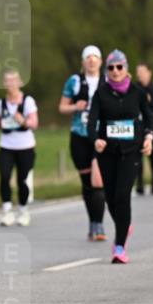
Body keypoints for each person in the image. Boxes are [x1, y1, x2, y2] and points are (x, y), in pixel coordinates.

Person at [88, 50, 153, 263]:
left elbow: (149, 117)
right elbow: (91, 122)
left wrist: (149, 137)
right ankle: (124, 225)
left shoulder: (137, 92)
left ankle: (119, 247)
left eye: (119, 67)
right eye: (111, 68)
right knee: (109, 196)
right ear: (107, 71)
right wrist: (94, 140)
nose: (115, 71)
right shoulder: (100, 93)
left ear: (126, 69)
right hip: (107, 152)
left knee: (122, 196)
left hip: (131, 151)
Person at [59, 46, 106, 240]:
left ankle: (100, 224)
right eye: (88, 57)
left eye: (95, 57)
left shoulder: (108, 81)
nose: (92, 60)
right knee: (87, 184)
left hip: (101, 136)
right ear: (83, 62)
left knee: (98, 180)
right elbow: (62, 107)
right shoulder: (75, 81)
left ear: (101, 61)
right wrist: (74, 107)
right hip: (79, 136)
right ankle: (92, 222)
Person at [0, 70, 39, 227]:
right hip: (6, 146)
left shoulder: (28, 101)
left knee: (21, 180)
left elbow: (35, 123)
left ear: (19, 82)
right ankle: (7, 210)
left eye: (13, 81)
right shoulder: (0, 103)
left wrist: (23, 121)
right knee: (4, 176)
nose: (10, 84)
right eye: (7, 81)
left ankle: (23, 210)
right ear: (4, 84)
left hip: (25, 146)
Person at [135, 62, 153, 195]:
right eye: (138, 72)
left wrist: (150, 101)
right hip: (138, 127)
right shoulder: (134, 88)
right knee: (138, 158)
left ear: (149, 73)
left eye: (142, 72)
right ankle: (139, 183)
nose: (140, 75)